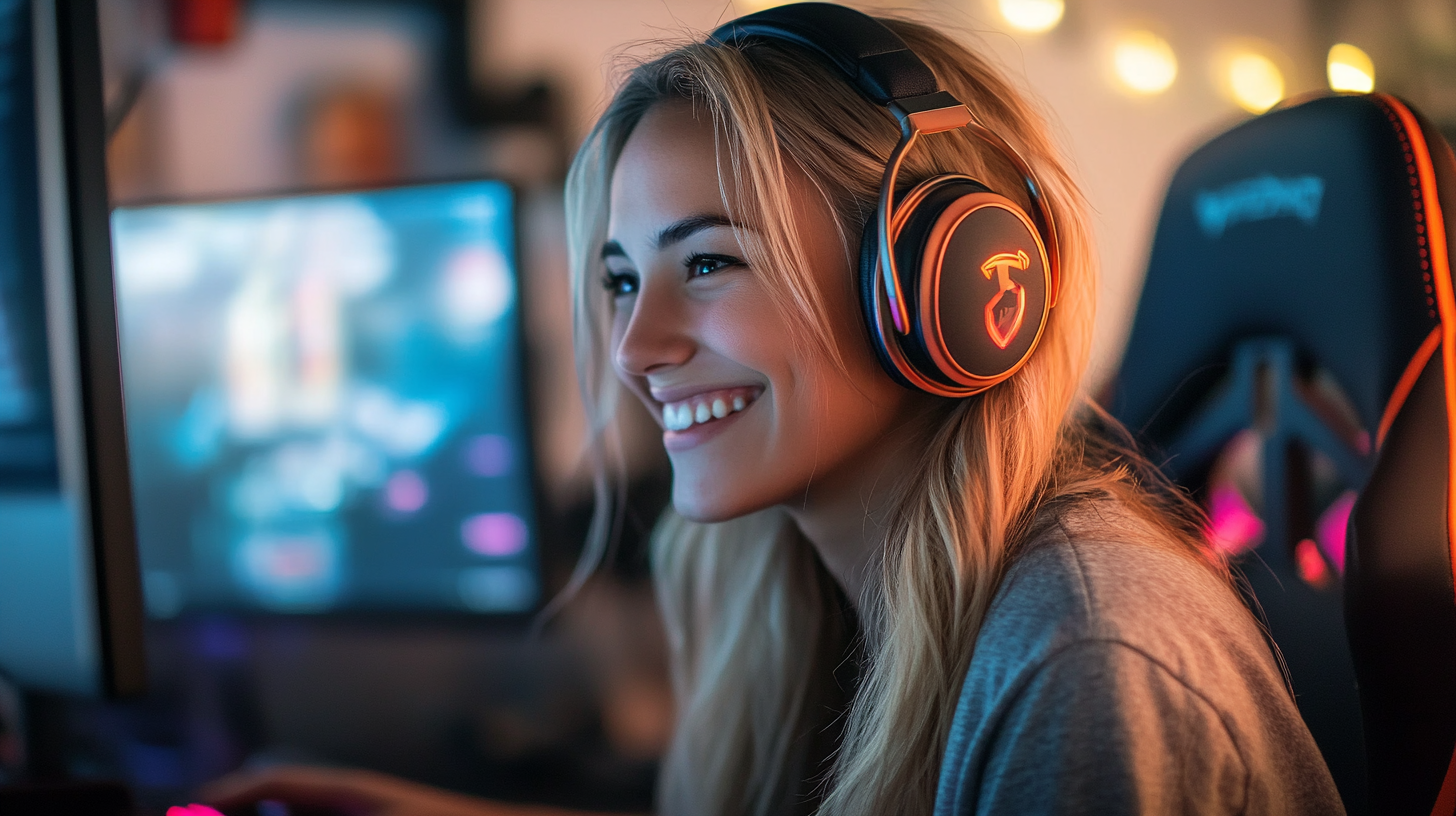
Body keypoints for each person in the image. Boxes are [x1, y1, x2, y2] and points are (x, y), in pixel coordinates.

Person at [206, 5, 1345, 815]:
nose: (634, 348)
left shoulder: (1084, 658)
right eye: (618, 279)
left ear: (941, 287)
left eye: (706, 265)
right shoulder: (800, 594)